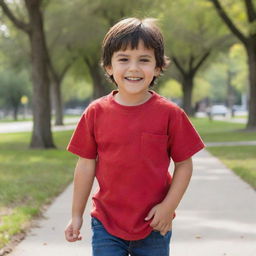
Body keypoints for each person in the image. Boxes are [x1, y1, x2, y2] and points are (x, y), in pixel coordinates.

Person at [64, 17, 205, 256]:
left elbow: (184, 165)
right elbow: (86, 165)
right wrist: (76, 215)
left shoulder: (170, 114)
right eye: (123, 59)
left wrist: (168, 207)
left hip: (154, 224)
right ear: (109, 66)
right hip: (106, 223)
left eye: (144, 60)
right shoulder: (96, 113)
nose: (134, 68)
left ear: (158, 67)